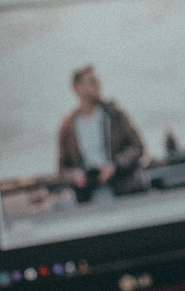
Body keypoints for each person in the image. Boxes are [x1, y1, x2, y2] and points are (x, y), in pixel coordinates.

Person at [57, 66, 145, 203]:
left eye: (97, 81)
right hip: (88, 195)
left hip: (122, 189)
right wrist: (76, 176)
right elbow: (63, 169)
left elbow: (137, 147)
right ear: (77, 88)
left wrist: (114, 166)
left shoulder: (114, 115)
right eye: (92, 82)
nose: (98, 86)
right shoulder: (68, 127)